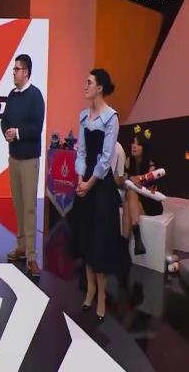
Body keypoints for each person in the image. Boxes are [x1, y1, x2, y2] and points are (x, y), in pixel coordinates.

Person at [73, 68, 123, 322]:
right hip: (85, 182)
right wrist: (79, 179)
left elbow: (105, 159)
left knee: (99, 242)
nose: (85, 86)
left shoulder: (111, 117)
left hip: (101, 186)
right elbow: (81, 152)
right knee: (85, 238)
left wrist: (89, 183)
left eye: (89, 82)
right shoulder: (83, 116)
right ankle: (90, 289)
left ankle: (102, 295)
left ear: (100, 87)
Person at [1, 54, 45, 277]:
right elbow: (4, 120)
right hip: (14, 158)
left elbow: (37, 128)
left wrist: (17, 133)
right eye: (14, 69)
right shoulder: (12, 95)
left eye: (16, 69)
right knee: (18, 205)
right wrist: (7, 132)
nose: (14, 73)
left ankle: (32, 257)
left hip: (29, 160)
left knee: (29, 207)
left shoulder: (36, 96)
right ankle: (21, 247)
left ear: (26, 72)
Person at [122, 128, 163, 255]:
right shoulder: (129, 161)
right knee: (128, 200)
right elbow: (123, 180)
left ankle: (124, 247)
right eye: (133, 143)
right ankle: (136, 243)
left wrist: (137, 180)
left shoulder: (151, 165)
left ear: (143, 148)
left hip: (149, 204)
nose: (134, 146)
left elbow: (149, 186)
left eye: (138, 144)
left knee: (129, 199)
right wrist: (131, 179)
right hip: (135, 202)